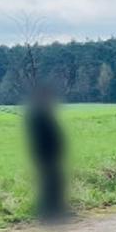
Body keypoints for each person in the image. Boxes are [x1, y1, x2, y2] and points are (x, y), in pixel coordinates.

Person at [25, 83, 71, 223]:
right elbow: (42, 135)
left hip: (51, 154)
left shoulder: (43, 113)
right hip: (45, 154)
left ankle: (58, 208)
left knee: (57, 182)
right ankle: (48, 212)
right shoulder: (37, 115)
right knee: (49, 183)